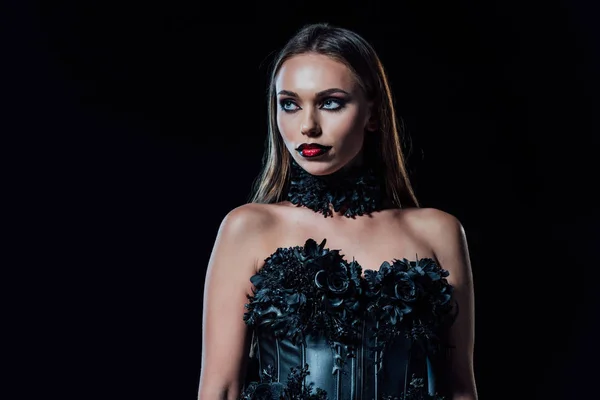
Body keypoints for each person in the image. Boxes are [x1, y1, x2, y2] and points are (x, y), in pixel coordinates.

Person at [198, 23, 477, 400]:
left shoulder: (438, 232)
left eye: (330, 102)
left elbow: (459, 389)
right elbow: (220, 390)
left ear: (373, 114)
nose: (307, 126)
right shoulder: (246, 228)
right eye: (289, 104)